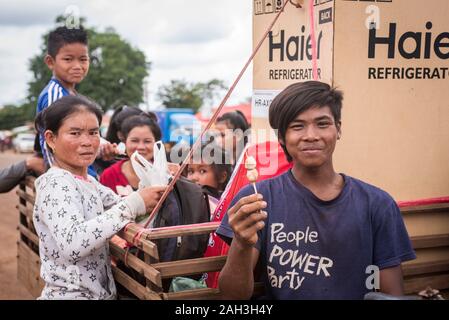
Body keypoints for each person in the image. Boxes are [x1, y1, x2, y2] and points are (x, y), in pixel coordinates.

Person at [216, 81, 416, 300]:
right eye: (297, 126)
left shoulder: (376, 203)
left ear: (338, 129)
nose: (311, 135)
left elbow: (392, 294)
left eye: (322, 124)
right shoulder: (258, 200)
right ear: (281, 136)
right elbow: (232, 298)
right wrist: (242, 244)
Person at [33, 95, 167, 299]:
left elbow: (122, 205)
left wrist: (154, 180)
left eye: (93, 132)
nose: (87, 142)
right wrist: (134, 203)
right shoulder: (56, 183)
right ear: (51, 139)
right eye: (75, 133)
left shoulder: (88, 182)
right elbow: (73, 243)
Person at [35, 25, 117, 178]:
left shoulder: (71, 94)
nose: (77, 66)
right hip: (69, 178)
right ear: (50, 62)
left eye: (83, 59)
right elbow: (55, 145)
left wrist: (102, 148)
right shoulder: (56, 94)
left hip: (84, 173)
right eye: (68, 59)